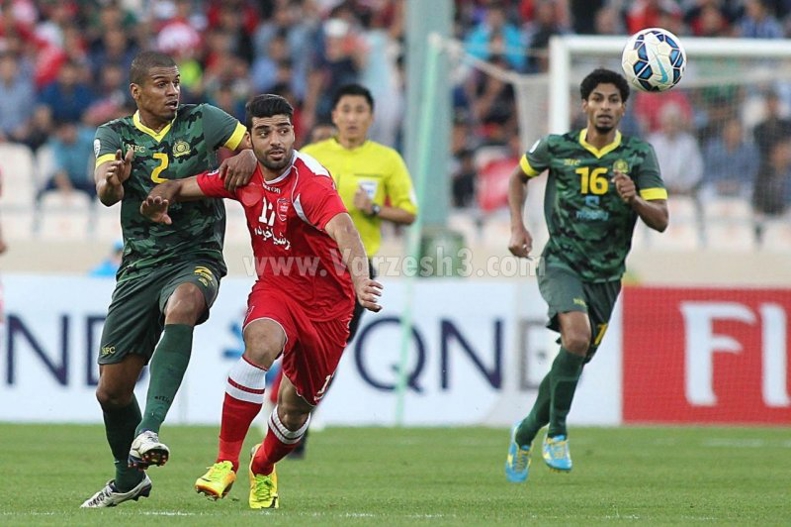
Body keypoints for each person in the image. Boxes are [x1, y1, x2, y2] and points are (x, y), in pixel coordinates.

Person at [139, 93, 382, 509]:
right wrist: (164, 194)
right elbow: (187, 186)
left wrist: (361, 279)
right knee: (260, 346)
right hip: (278, 287)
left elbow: (346, 231)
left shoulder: (310, 183)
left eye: (283, 131)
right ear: (249, 138)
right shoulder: (243, 175)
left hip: (329, 307)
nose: (275, 141)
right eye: (264, 132)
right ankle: (224, 461)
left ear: (294, 133)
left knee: (293, 413)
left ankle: (263, 464)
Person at [81, 50, 257, 508]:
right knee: (112, 391)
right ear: (136, 92)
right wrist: (113, 182)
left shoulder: (207, 120)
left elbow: (256, 146)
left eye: (176, 82)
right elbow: (105, 191)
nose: (173, 91)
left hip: (195, 255)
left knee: (184, 304)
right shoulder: (113, 134)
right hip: (140, 266)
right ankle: (128, 479)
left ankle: (149, 430)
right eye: (161, 84)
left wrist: (249, 157)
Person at [504, 68, 668, 483]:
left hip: (607, 276)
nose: (605, 107)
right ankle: (556, 433)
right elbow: (517, 177)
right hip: (561, 262)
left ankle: (525, 432)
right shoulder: (556, 147)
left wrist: (634, 199)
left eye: (614, 100)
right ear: (584, 105)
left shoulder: (638, 155)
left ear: (623, 108)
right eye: (598, 99)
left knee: (572, 358)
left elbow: (662, 220)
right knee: (576, 338)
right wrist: (518, 227)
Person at [281, 82, 417, 457]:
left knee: (329, 352)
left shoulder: (387, 160)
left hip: (354, 270)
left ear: (371, 117)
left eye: (361, 110)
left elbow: (409, 212)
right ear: (335, 115)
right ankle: (286, 419)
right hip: (306, 265)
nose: (353, 117)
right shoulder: (310, 155)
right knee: (291, 343)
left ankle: (297, 426)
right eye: (347, 110)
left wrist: (374, 209)